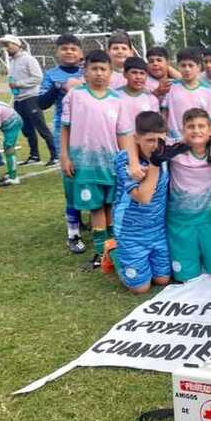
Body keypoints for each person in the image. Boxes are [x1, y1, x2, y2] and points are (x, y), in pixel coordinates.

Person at [60, 50, 132, 270]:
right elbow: (65, 128)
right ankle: (101, 253)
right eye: (94, 69)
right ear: (86, 71)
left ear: (111, 73)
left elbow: (123, 134)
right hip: (84, 165)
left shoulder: (116, 100)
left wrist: (127, 161)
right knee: (96, 208)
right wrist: (64, 156)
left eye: (104, 69)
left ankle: (112, 249)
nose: (99, 74)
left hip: (110, 163)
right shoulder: (75, 95)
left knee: (111, 206)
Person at [108, 111, 174, 294]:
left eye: (159, 140)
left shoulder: (164, 149)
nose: (155, 146)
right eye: (150, 140)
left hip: (157, 229)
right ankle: (114, 251)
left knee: (162, 280)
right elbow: (143, 198)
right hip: (131, 231)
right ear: (139, 139)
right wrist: (154, 164)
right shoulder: (125, 160)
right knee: (141, 289)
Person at [166, 108, 211, 281]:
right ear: (182, 130)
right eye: (191, 126)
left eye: (202, 126)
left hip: (208, 222)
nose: (196, 130)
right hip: (180, 224)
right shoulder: (174, 150)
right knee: (186, 277)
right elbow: (146, 140)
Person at [38, 33, 86, 253]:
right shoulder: (51, 75)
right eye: (64, 48)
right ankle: (73, 233)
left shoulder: (89, 70)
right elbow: (41, 103)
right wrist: (60, 87)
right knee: (70, 178)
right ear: (57, 52)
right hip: (64, 133)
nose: (69, 51)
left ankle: (89, 219)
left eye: (73, 48)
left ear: (80, 52)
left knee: (89, 176)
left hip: (90, 133)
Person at [3, 34, 56, 166]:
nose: (6, 48)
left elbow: (38, 78)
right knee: (26, 129)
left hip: (31, 98)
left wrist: (19, 84)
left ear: (16, 44)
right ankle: (34, 155)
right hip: (18, 100)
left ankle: (55, 155)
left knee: (41, 127)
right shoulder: (13, 61)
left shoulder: (28, 59)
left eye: (8, 44)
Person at [161, 48, 211, 143]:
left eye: (191, 65)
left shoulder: (208, 92)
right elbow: (164, 114)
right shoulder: (171, 87)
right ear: (178, 66)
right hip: (174, 141)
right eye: (183, 65)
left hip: (198, 141)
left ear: (199, 67)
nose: (187, 69)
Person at [0, 99, 23, 186]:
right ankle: (10, 173)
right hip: (6, 119)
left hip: (12, 121)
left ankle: (14, 177)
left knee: (8, 147)